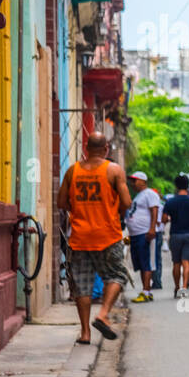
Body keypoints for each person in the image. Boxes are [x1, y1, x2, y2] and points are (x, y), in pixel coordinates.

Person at [56, 131, 133, 343]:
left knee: (82, 285)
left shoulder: (73, 171)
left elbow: (61, 203)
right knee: (117, 275)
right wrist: (110, 208)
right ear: (106, 149)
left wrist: (79, 209)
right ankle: (103, 314)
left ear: (86, 149)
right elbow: (126, 202)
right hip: (107, 235)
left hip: (80, 236)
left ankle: (85, 333)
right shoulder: (114, 170)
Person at [125, 171, 161, 303]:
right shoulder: (138, 196)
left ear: (142, 181)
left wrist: (152, 229)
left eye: (135, 180)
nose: (132, 183)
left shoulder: (150, 194)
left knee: (147, 263)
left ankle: (146, 291)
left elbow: (154, 210)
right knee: (140, 263)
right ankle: (146, 290)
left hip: (145, 233)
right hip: (136, 234)